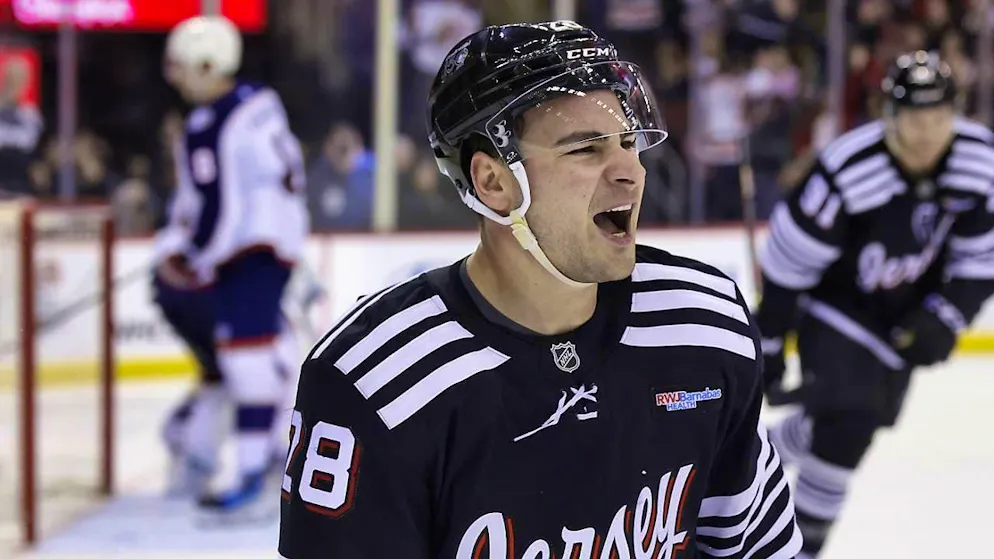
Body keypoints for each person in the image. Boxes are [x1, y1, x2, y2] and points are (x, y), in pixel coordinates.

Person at [279, 21, 801, 558]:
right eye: (586, 149)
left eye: (628, 143)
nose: (631, 172)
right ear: (494, 182)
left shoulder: (702, 321)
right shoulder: (374, 378)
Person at [757, 50, 994, 558]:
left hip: (903, 312)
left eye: (939, 116)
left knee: (848, 420)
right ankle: (800, 549)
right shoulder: (849, 170)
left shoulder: (980, 163)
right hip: (834, 306)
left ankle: (750, 458)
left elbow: (981, 259)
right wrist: (771, 342)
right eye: (914, 117)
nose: (928, 131)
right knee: (850, 425)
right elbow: (786, 264)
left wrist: (946, 316)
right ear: (889, 115)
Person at [160, 14, 309, 519]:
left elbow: (222, 206)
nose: (174, 76)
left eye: (181, 66)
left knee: (245, 365)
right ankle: (261, 464)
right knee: (267, 360)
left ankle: (254, 475)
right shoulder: (259, 104)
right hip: (269, 248)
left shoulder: (214, 122)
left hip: (246, 252)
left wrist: (193, 257)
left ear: (208, 63)